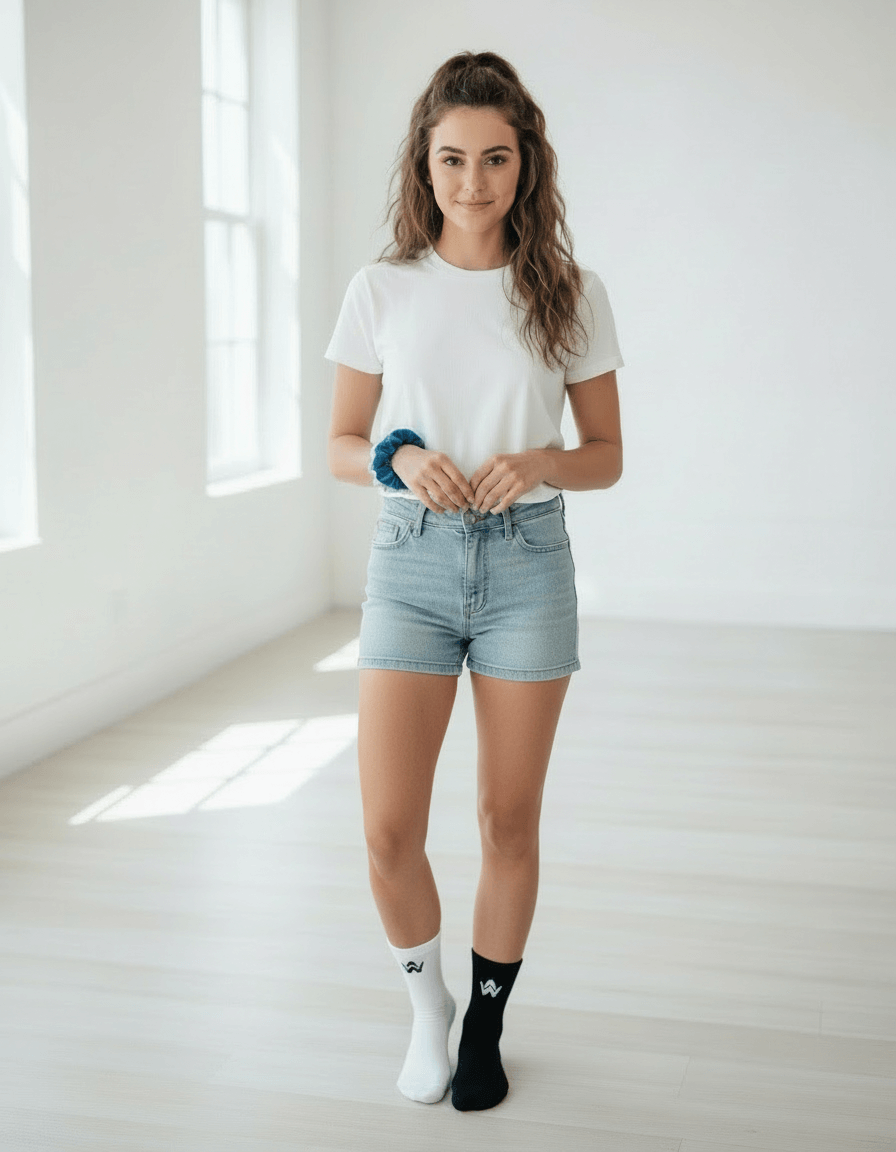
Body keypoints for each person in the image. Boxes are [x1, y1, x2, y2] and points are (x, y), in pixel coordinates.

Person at [325, 50, 623, 1111]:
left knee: (506, 819)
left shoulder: (569, 294)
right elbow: (339, 439)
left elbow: (604, 456)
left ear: (523, 164)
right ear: (424, 162)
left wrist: (538, 460)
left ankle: (487, 1025)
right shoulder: (381, 288)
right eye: (451, 159)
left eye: (494, 159)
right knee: (387, 830)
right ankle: (428, 1009)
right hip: (408, 560)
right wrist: (399, 455)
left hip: (527, 566)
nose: (471, 183)